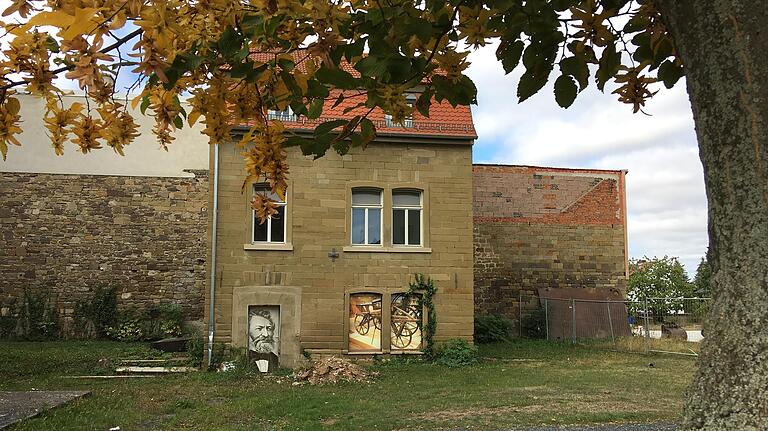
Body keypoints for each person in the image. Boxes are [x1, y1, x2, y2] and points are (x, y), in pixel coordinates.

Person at [248, 308, 279, 372]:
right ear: (248, 331)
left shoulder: (275, 358)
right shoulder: (244, 358)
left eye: (268, 328)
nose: (266, 334)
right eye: (259, 328)